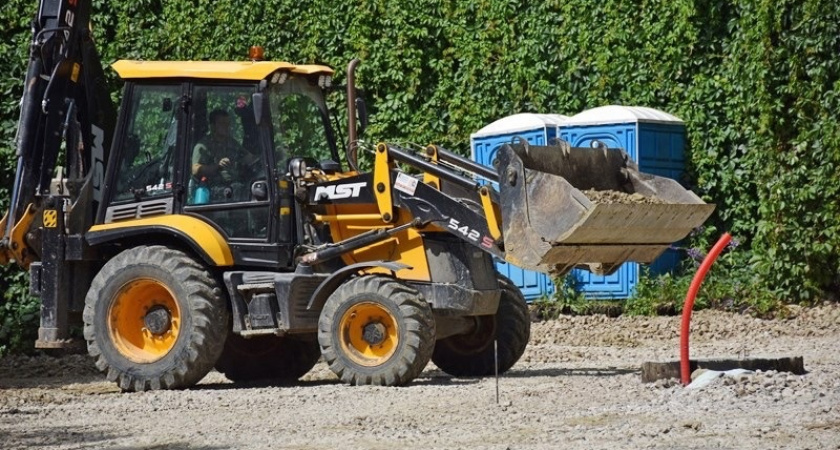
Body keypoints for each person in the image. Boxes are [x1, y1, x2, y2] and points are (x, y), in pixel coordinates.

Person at [192, 109, 243, 184]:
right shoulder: (203, 146)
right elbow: (195, 169)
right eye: (222, 123)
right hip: (213, 188)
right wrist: (217, 166)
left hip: (235, 185)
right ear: (213, 126)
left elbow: (247, 157)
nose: (227, 126)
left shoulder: (232, 143)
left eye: (228, 123)